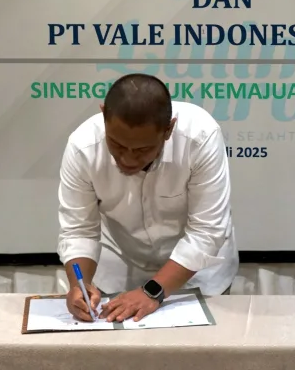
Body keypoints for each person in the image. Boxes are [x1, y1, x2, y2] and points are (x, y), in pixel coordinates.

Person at [57, 73, 238, 323]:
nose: (128, 159)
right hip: (120, 272)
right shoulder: (82, 147)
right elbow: (79, 230)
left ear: (169, 129)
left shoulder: (200, 136)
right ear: (103, 115)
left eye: (143, 149)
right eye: (117, 145)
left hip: (197, 276)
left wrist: (152, 291)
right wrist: (81, 285)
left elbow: (206, 231)